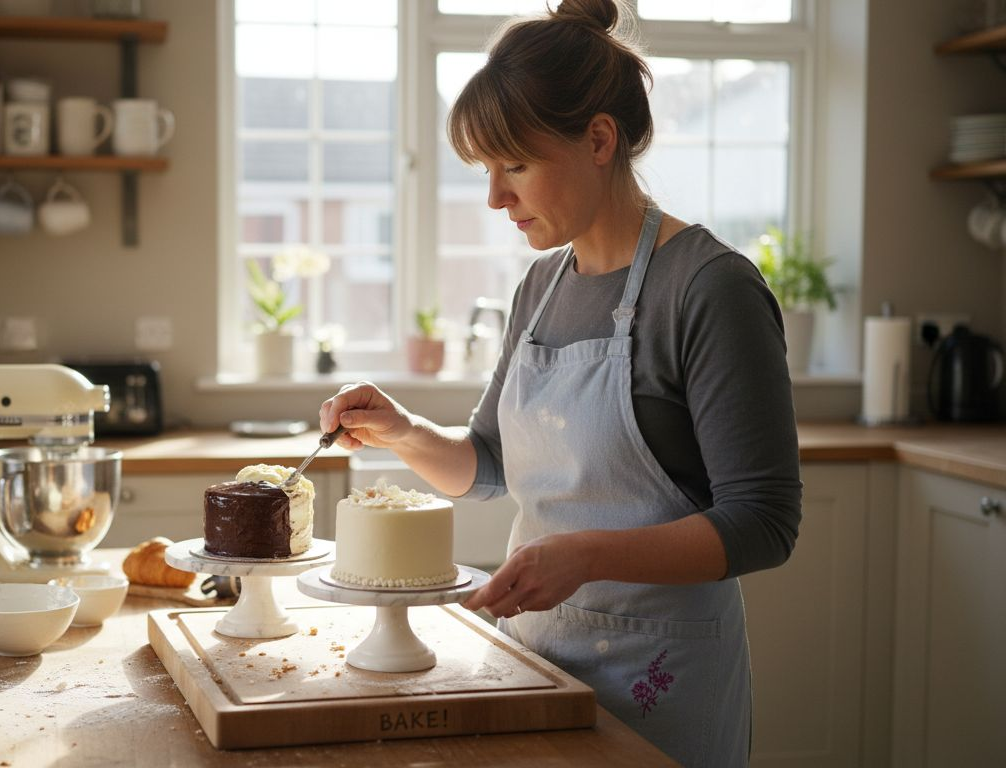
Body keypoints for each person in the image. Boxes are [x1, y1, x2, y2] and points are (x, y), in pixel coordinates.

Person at [317, 1, 801, 765]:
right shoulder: (541, 285)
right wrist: (404, 431)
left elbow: (764, 523)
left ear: (599, 139)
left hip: (663, 680)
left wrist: (583, 555)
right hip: (536, 661)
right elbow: (489, 463)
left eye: (514, 165)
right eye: (485, 170)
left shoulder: (709, 288)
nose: (495, 198)